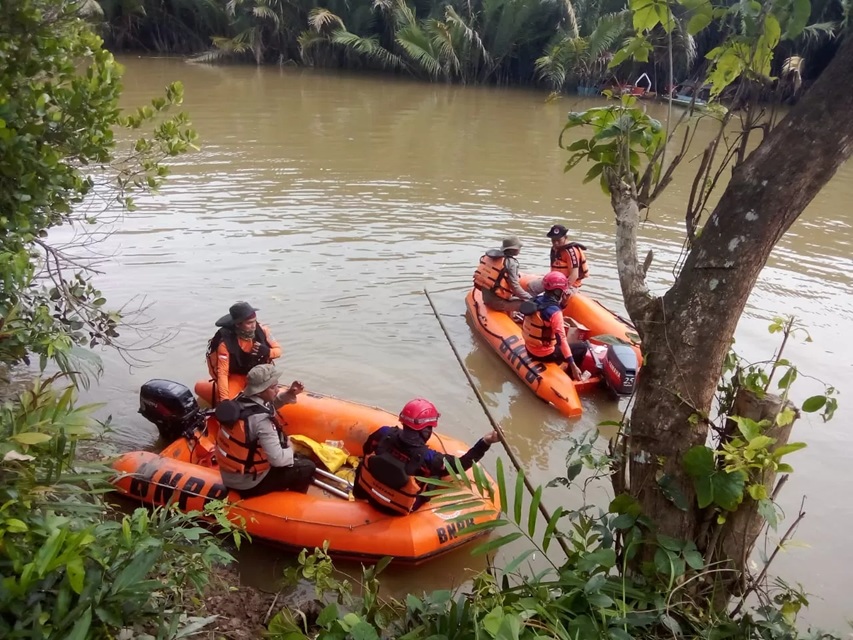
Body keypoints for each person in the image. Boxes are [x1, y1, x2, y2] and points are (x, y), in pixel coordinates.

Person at [354, 398, 500, 515]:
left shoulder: (384, 433)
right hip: (395, 510)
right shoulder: (430, 458)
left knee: (367, 459)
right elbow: (460, 465)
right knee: (435, 477)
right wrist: (485, 442)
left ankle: (358, 496)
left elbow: (366, 448)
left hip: (368, 494)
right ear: (425, 431)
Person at [215, 364, 316, 497]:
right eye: (273, 387)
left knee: (296, 458)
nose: (277, 389)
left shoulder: (240, 399)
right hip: (249, 484)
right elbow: (278, 460)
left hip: (234, 474)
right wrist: (291, 448)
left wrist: (289, 394)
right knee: (307, 467)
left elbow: (267, 406)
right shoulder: (262, 422)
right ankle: (293, 503)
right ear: (260, 390)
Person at [206, 301, 282, 405]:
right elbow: (222, 373)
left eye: (254, 321)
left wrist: (268, 352)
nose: (254, 326)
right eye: (249, 323)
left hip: (260, 376)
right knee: (231, 405)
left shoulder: (263, 330)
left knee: (272, 397)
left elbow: (278, 351)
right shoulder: (225, 343)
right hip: (238, 376)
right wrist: (225, 400)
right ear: (238, 324)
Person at [521, 272, 591, 379]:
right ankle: (571, 375)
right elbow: (561, 340)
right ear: (558, 291)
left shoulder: (536, 300)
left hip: (529, 348)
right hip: (544, 354)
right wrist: (572, 364)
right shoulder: (555, 312)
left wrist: (563, 304)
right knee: (582, 347)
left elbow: (546, 316)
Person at [472, 236, 533, 314]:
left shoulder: (491, 258)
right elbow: (515, 286)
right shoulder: (511, 263)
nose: (519, 250)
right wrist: (530, 298)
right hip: (497, 303)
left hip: (486, 298)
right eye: (519, 248)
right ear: (513, 250)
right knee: (530, 305)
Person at [527, 224, 589, 296]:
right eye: (553, 240)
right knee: (532, 286)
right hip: (554, 281)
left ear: (565, 238)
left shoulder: (571, 251)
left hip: (570, 285)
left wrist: (563, 289)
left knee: (555, 298)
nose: (556, 243)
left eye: (559, 240)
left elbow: (574, 275)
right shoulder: (554, 249)